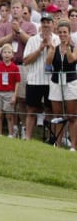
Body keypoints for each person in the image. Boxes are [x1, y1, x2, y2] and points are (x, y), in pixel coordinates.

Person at [46, 20, 77, 150]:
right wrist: (52, 50)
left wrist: (68, 47)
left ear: (69, 33)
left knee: (72, 115)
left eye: (65, 32)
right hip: (56, 81)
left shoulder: (74, 46)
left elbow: (71, 59)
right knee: (57, 114)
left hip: (70, 82)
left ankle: (73, 146)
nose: (62, 34)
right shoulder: (54, 46)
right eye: (60, 32)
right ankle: (57, 144)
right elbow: (48, 64)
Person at [0, 43, 21, 137]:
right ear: (1, 54)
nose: (7, 54)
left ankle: (10, 134)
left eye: (9, 52)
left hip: (9, 93)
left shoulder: (15, 67)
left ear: (12, 55)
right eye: (5, 52)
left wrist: (14, 95)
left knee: (9, 115)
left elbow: (17, 82)